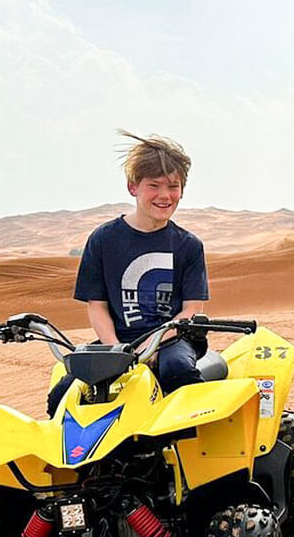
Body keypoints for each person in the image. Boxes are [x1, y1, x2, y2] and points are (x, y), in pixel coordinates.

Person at [66, 130, 209, 400]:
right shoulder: (103, 239)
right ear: (133, 187)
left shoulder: (188, 245)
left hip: (173, 340)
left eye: (173, 186)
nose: (165, 195)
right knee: (65, 391)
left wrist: (152, 345)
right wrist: (116, 350)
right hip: (118, 341)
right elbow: (97, 305)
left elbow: (191, 310)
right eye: (154, 185)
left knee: (177, 370)